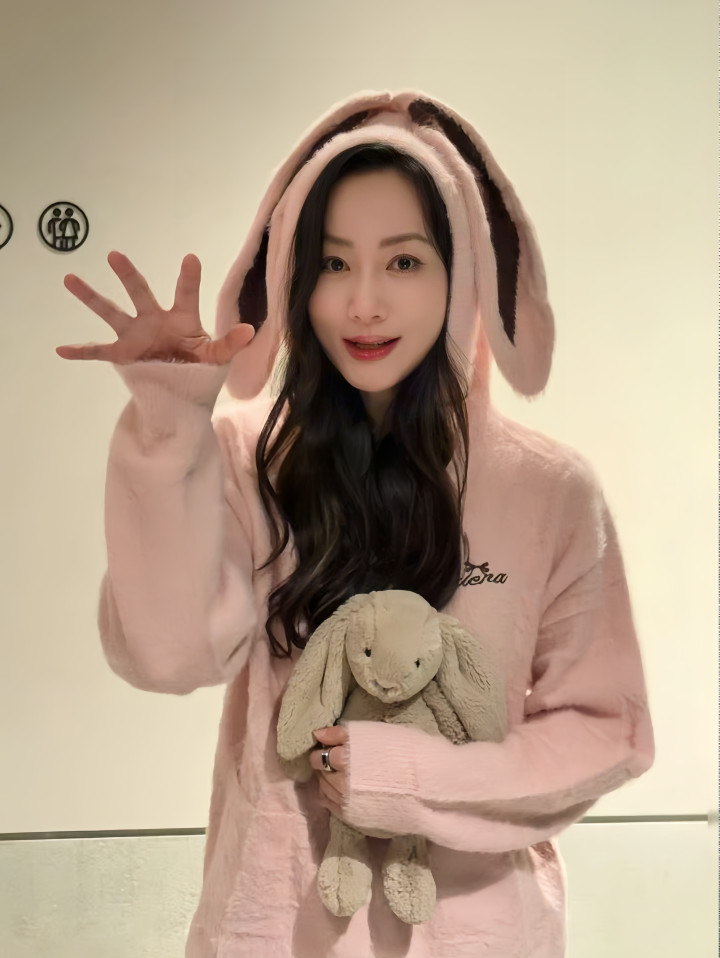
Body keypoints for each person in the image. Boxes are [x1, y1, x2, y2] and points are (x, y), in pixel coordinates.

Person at [56, 91, 655, 958]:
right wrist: (167, 424)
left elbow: (606, 731)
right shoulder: (246, 458)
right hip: (278, 926)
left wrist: (406, 776)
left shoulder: (548, 490)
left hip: (478, 933)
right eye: (333, 264)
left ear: (462, 276)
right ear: (296, 281)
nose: (364, 303)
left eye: (404, 261)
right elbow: (168, 653)